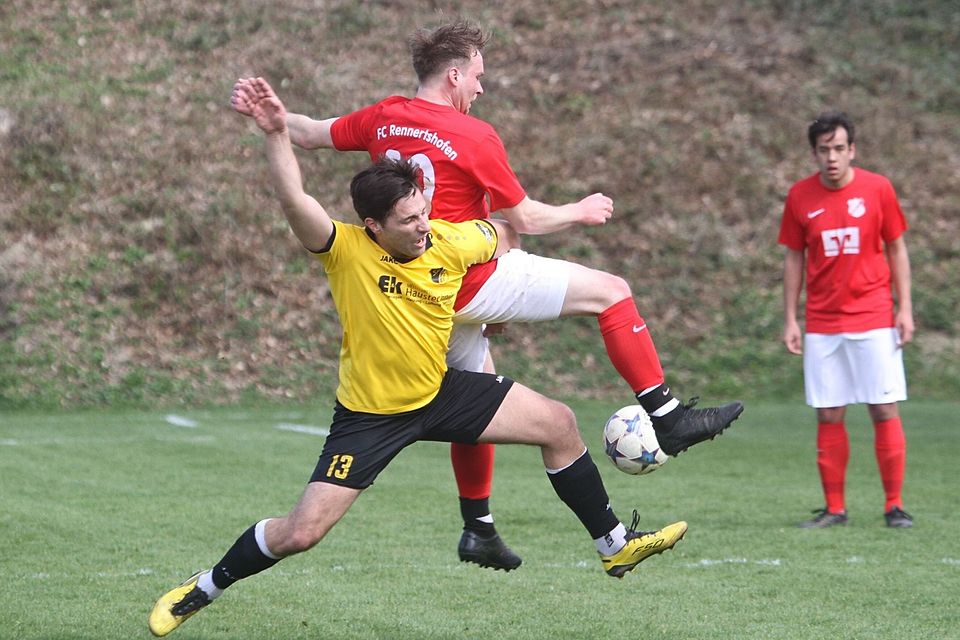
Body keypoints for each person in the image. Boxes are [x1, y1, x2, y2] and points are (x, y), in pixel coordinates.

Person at [148, 77, 689, 637]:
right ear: (373, 226)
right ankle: (203, 586)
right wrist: (278, 134)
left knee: (559, 422)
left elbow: (502, 231)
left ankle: (614, 546)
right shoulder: (344, 250)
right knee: (300, 533)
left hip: (442, 393)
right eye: (409, 221)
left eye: (425, 213)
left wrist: (495, 302)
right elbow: (294, 199)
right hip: (370, 416)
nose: (424, 228)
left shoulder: (446, 239)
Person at [236, 19, 743, 569]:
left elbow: (310, 133)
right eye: (477, 75)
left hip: (418, 291)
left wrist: (275, 120)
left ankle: (479, 527)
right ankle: (667, 417)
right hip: (463, 273)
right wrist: (581, 209)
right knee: (611, 293)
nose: (481, 86)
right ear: (454, 75)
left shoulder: (385, 116)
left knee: (473, 393)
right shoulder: (474, 136)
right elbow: (522, 217)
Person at [779, 110, 915, 529]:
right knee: (828, 413)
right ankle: (835, 508)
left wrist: (904, 307)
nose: (832, 157)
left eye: (839, 148)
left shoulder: (878, 189)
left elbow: (896, 249)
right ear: (814, 154)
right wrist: (790, 317)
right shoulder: (800, 196)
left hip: (874, 317)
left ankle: (894, 506)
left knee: (883, 407)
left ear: (852, 150)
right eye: (824, 150)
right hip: (822, 322)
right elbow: (793, 258)